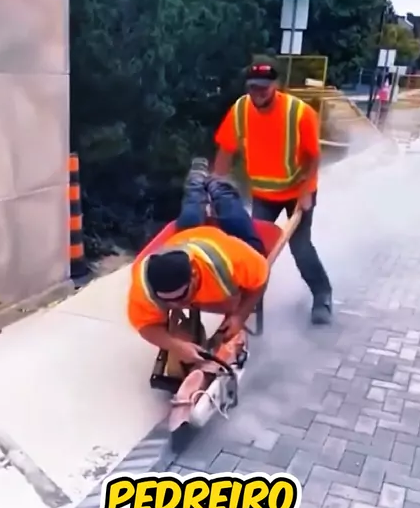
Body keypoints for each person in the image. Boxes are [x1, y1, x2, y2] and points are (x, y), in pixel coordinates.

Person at [213, 57, 333, 325]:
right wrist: (215, 186)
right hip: (264, 194)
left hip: (298, 191)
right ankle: (248, 306)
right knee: (255, 251)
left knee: (299, 247)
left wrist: (305, 193)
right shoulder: (240, 109)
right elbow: (225, 150)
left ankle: (322, 295)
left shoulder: (298, 112)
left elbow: (314, 157)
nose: (258, 93)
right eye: (253, 87)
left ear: (276, 85)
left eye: (263, 88)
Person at [127, 215, 269, 366]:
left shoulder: (232, 261)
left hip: (218, 241)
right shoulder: (144, 288)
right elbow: (145, 326)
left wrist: (239, 316)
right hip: (184, 239)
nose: (176, 305)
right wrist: (175, 345)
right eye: (167, 300)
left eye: (181, 297)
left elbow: (261, 279)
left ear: (194, 275)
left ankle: (219, 201)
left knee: (234, 218)